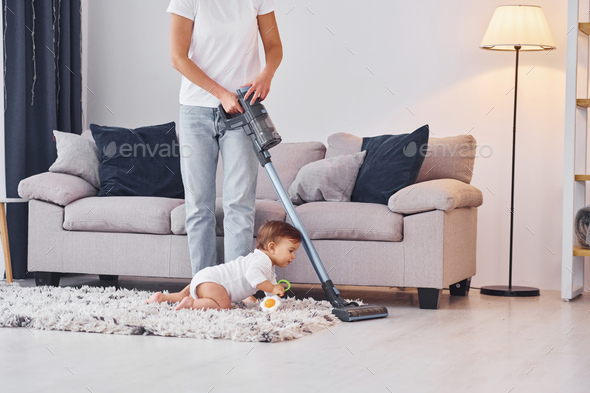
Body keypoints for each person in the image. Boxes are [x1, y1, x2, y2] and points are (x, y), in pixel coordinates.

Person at [166, 0, 283, 274]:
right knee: (198, 206)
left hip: (244, 108)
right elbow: (178, 57)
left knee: (239, 204)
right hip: (196, 110)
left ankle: (237, 289)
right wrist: (220, 93)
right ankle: (205, 287)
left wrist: (267, 74)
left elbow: (274, 47)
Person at [147, 221, 301, 311]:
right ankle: (192, 304)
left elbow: (269, 285)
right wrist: (273, 288)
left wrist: (273, 299)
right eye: (291, 250)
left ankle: (163, 297)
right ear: (272, 247)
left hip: (207, 277)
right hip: (213, 282)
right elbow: (253, 277)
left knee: (185, 295)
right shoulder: (261, 261)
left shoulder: (266, 265)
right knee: (224, 305)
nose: (293, 256)